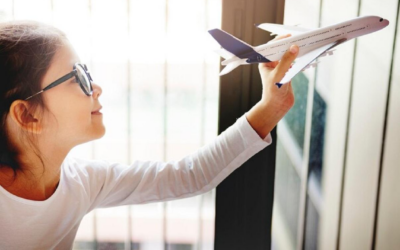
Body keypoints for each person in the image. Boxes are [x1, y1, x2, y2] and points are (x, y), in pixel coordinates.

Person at [0, 20, 298, 249]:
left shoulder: (82, 184)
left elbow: (189, 176)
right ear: (27, 115)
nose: (96, 87)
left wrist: (271, 107)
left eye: (87, 73)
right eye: (77, 76)